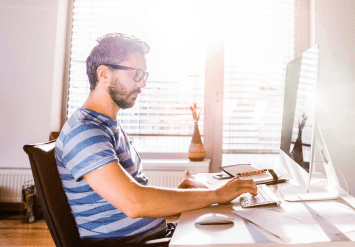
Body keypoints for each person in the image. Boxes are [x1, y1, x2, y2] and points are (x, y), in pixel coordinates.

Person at [55, 33, 257, 244]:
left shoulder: (108, 125)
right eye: (136, 74)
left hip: (153, 236)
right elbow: (134, 203)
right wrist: (217, 195)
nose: (142, 84)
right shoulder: (85, 131)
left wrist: (179, 196)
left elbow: (132, 199)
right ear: (104, 73)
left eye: (144, 75)